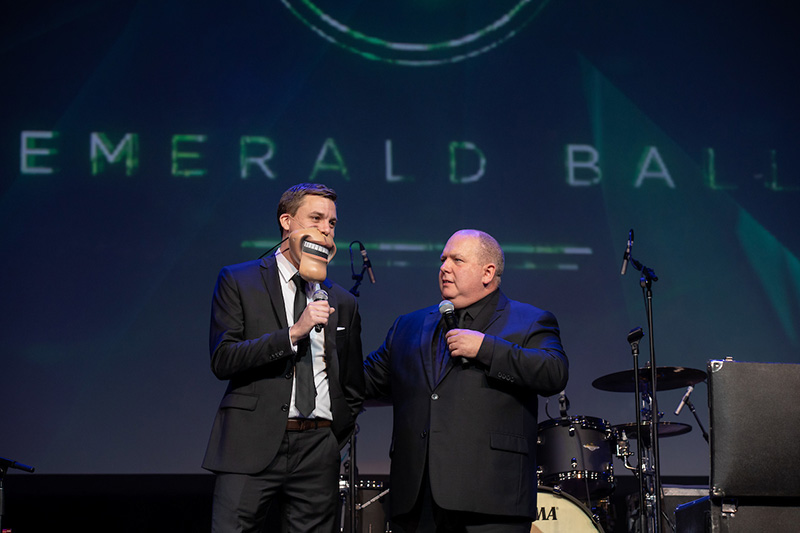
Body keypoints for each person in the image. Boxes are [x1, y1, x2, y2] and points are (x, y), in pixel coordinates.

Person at [363, 229, 568, 532]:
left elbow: (554, 372)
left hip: (492, 500)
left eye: (457, 260)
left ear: (488, 272)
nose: (444, 268)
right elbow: (362, 383)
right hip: (419, 501)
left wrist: (486, 349)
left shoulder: (529, 320)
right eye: (443, 259)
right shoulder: (408, 326)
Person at [202, 183, 364, 532]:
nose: (326, 229)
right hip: (250, 443)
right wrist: (293, 333)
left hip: (317, 449)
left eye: (332, 223)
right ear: (287, 222)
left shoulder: (342, 300)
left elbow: (351, 383)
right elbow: (223, 358)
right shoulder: (240, 280)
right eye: (316, 218)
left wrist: (331, 440)